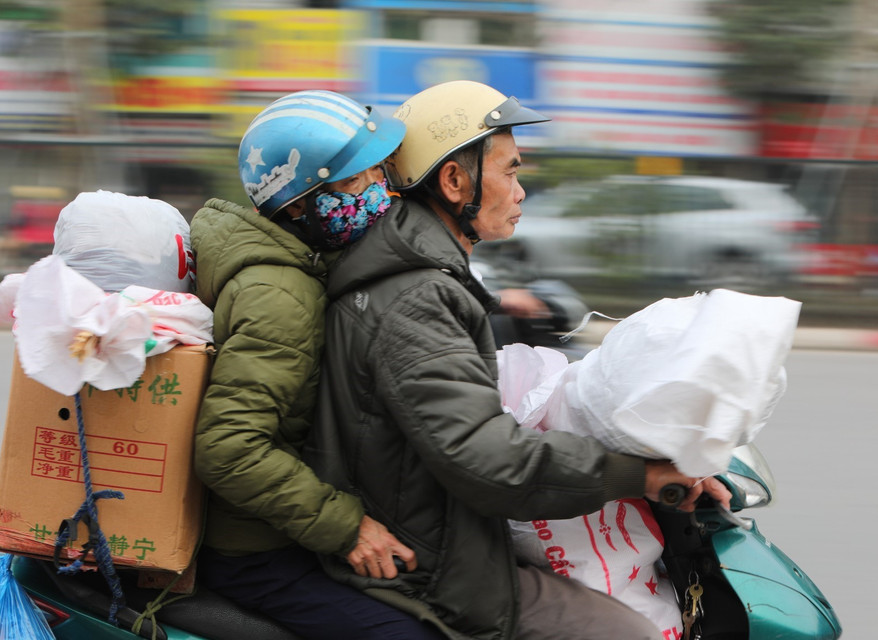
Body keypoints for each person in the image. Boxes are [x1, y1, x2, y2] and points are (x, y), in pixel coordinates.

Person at [305, 80, 731, 640]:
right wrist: (640, 475)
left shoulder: (429, 276)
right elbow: (485, 458)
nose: (521, 190)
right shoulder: (416, 298)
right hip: (431, 565)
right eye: (509, 171)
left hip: (444, 528)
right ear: (455, 182)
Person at [189, 90, 443, 639]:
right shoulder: (280, 293)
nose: (380, 190)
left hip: (286, 530)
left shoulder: (302, 264)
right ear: (299, 203)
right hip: (256, 553)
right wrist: (348, 529)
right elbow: (229, 447)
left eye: (379, 171)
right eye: (356, 181)